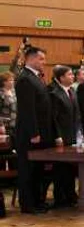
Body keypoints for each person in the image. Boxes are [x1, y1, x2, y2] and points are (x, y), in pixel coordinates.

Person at [14, 47, 52, 214]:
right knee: (28, 170)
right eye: (41, 59)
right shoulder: (25, 79)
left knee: (37, 170)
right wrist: (34, 132)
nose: (44, 62)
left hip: (40, 132)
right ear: (31, 59)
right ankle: (28, 204)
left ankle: (38, 201)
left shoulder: (36, 78)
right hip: (29, 134)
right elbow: (27, 109)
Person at [49, 65, 79, 207]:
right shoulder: (55, 93)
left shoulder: (72, 91)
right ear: (61, 78)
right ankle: (60, 197)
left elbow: (76, 114)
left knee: (71, 168)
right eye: (69, 75)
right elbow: (53, 117)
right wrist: (57, 136)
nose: (72, 77)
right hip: (62, 136)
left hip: (72, 134)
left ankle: (71, 194)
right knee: (61, 168)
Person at [0, 72, 17, 141]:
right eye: (10, 80)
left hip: (15, 123)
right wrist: (1, 125)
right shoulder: (1, 93)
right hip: (5, 125)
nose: (13, 82)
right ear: (4, 82)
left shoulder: (14, 91)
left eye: (13, 80)